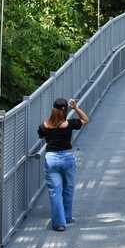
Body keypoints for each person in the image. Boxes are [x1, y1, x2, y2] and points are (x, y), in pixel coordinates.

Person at [38, 97, 88, 231]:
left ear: (53, 109)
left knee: (55, 191)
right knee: (68, 188)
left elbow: (41, 135)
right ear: (65, 110)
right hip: (67, 158)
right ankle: (67, 217)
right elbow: (85, 120)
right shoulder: (69, 124)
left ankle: (59, 223)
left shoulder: (45, 125)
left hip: (52, 159)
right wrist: (76, 108)